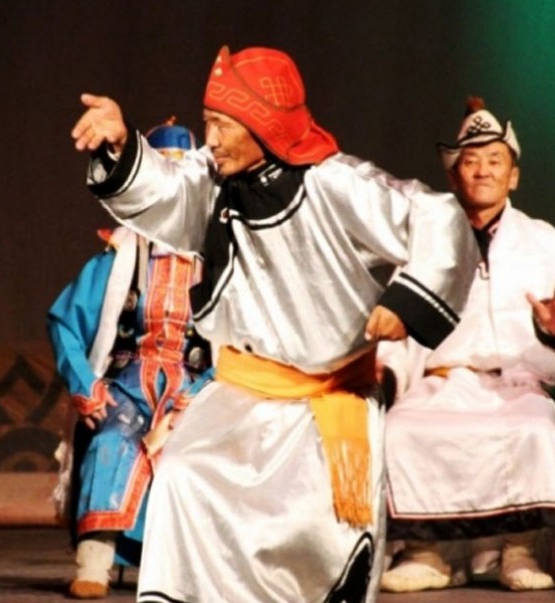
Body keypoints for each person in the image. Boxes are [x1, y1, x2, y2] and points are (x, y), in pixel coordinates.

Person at [70, 45, 479, 602]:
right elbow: (166, 189)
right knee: (184, 476)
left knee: (311, 535)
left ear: (262, 124)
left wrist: (406, 302)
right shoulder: (212, 179)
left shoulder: (336, 183)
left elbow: (437, 215)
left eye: (221, 125)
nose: (210, 139)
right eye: (207, 122)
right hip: (241, 393)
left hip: (324, 403)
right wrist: (122, 146)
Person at [379, 98, 555, 593]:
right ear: (454, 178)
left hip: (516, 384)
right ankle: (426, 554)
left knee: (536, 428)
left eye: (495, 161)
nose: (482, 171)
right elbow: (398, 321)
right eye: (470, 162)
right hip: (441, 384)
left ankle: (518, 551)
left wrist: (549, 330)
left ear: (513, 177)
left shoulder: (545, 241)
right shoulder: (426, 243)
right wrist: (385, 372)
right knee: (401, 430)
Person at [49, 120, 213, 599]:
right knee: (113, 440)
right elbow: (65, 322)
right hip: (127, 383)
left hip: (198, 389)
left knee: (196, 457)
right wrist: (86, 385)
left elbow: (238, 341)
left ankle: (183, 572)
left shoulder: (216, 260)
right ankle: (95, 561)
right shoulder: (121, 255)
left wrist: (206, 392)